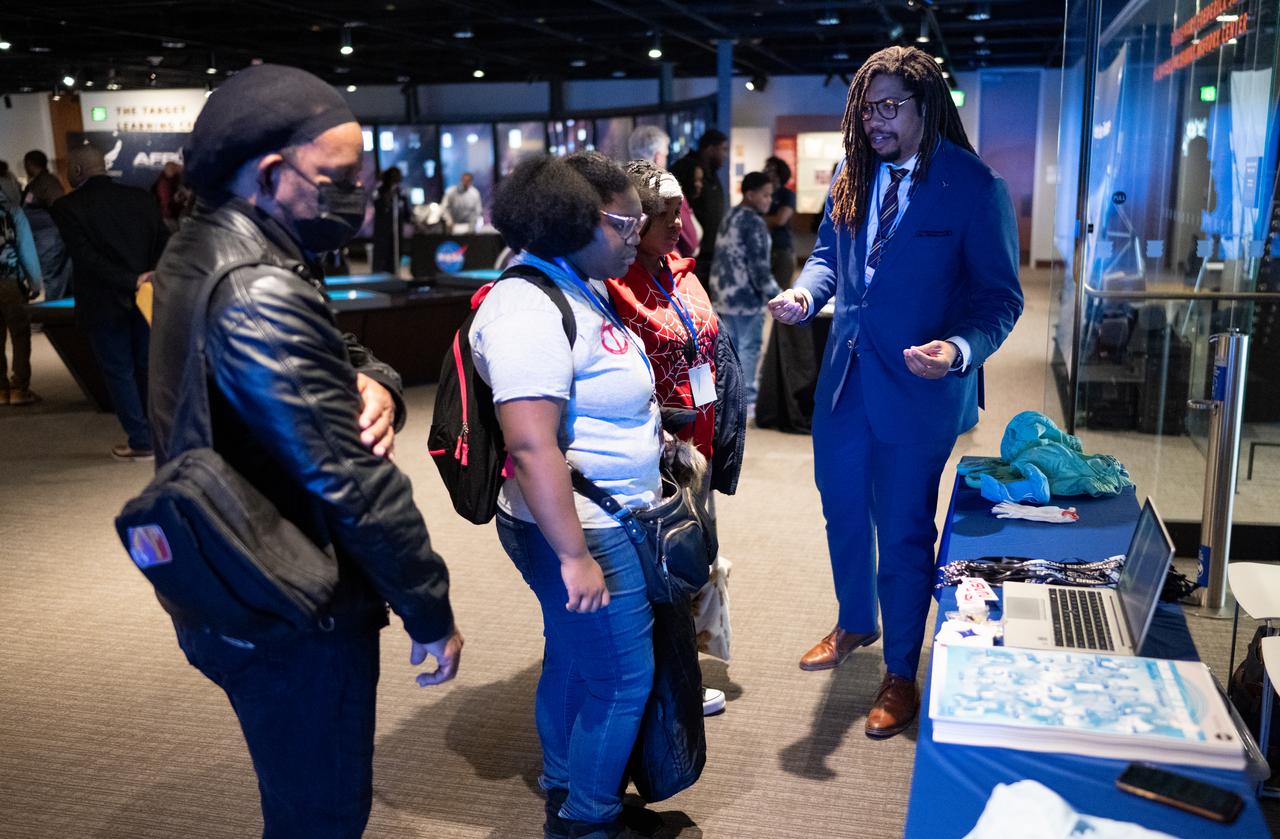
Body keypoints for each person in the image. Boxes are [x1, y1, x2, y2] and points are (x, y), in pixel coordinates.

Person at [150, 63, 463, 837]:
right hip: (293, 607)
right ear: (268, 173)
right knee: (319, 816)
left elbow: (336, 356)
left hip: (241, 579)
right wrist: (430, 608)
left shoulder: (211, 247)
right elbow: (353, 483)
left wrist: (381, 383)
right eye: (340, 177)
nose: (356, 192)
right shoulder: (257, 284)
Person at [769, 46, 1023, 739]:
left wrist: (959, 348)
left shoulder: (973, 187)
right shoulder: (854, 171)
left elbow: (1000, 299)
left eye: (887, 108)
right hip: (845, 379)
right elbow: (829, 255)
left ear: (925, 106)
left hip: (920, 387)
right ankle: (857, 619)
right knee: (843, 508)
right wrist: (803, 292)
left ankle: (901, 671)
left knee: (905, 527)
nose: (873, 120)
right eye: (865, 107)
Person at [472, 150, 658, 839]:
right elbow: (529, 444)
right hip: (578, 527)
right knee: (621, 678)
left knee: (576, 656)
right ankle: (586, 820)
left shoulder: (578, 282)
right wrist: (574, 555)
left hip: (597, 515)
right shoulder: (526, 306)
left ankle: (568, 783)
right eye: (624, 220)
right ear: (571, 219)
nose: (638, 231)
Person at [604, 159, 736, 717]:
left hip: (695, 451)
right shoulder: (610, 284)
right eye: (665, 216)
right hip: (647, 455)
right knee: (658, 574)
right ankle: (663, 689)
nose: (679, 225)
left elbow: (712, 352)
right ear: (635, 220)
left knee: (692, 561)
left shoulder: (679, 271)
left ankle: (677, 675)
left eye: (680, 213)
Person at [52, 144, 169, 460]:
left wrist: (130, 279)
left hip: (103, 302)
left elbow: (86, 258)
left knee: (119, 372)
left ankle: (141, 441)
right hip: (146, 297)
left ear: (77, 171)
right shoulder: (141, 198)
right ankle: (157, 438)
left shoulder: (67, 207)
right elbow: (164, 239)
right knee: (147, 368)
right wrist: (150, 275)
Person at [711, 171, 779, 418]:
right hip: (746, 298)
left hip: (723, 295)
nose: (769, 200)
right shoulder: (754, 222)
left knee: (729, 350)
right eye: (765, 195)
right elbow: (758, 266)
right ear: (750, 194)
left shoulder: (730, 215)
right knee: (750, 348)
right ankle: (748, 400)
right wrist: (777, 294)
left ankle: (729, 398)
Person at [628, 124, 699, 261]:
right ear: (658, 157)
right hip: (661, 267)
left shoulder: (621, 187)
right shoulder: (666, 188)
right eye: (666, 155)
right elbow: (691, 242)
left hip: (628, 266)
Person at [0, 189, 44, 406]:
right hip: (9, 281)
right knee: (19, 334)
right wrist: (35, 282)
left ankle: (0, 389)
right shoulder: (13, 211)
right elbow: (26, 248)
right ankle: (19, 389)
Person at [671, 129, 728, 276]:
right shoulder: (685, 168)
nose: (725, 155)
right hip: (690, 254)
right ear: (710, 149)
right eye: (723, 149)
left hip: (708, 253)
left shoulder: (712, 173)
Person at [21, 149, 74, 299]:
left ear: (30, 164)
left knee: (52, 278)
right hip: (43, 240)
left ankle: (54, 316)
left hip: (51, 241)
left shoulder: (47, 182)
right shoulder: (37, 182)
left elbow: (59, 206)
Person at [763, 156, 797, 289]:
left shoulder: (786, 194)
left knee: (781, 292)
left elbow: (780, 220)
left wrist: (759, 220)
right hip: (765, 249)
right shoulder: (764, 192)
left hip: (782, 249)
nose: (766, 171)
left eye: (770, 169)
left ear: (779, 174)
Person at [371, 166, 410, 273]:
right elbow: (379, 206)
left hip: (397, 231)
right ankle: (380, 273)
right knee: (382, 253)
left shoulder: (400, 193)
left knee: (396, 252)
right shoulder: (380, 191)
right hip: (383, 231)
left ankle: (394, 271)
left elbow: (406, 212)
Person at [151, 161, 191, 232]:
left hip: (175, 216)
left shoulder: (178, 182)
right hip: (167, 217)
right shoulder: (164, 183)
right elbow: (166, 203)